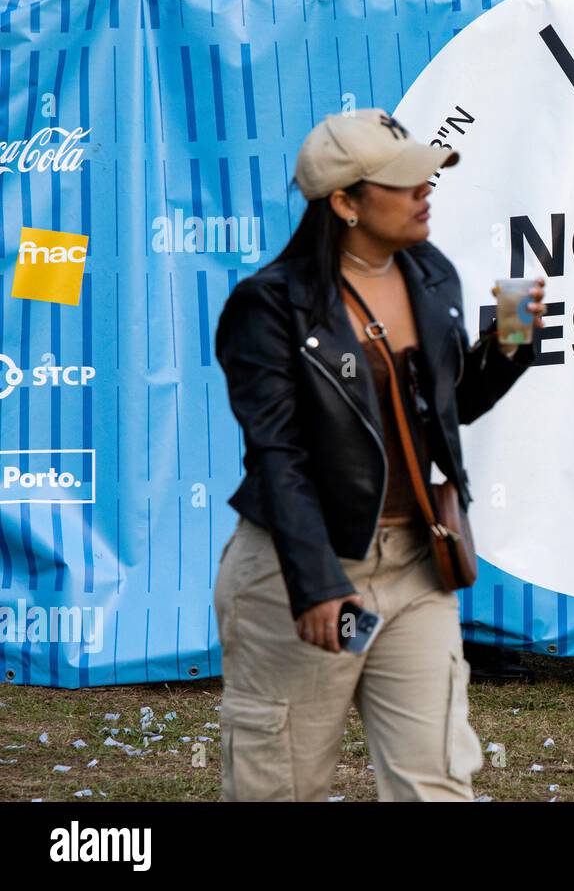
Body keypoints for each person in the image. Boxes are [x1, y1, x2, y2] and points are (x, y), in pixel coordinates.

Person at [213, 108, 545, 801]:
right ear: (344, 203)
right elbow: (279, 456)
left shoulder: (431, 273)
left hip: (417, 568)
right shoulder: (269, 305)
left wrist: (511, 341)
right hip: (300, 570)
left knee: (437, 782)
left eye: (427, 177)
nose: (426, 190)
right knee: (283, 784)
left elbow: (448, 412)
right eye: (403, 182)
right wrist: (316, 583)